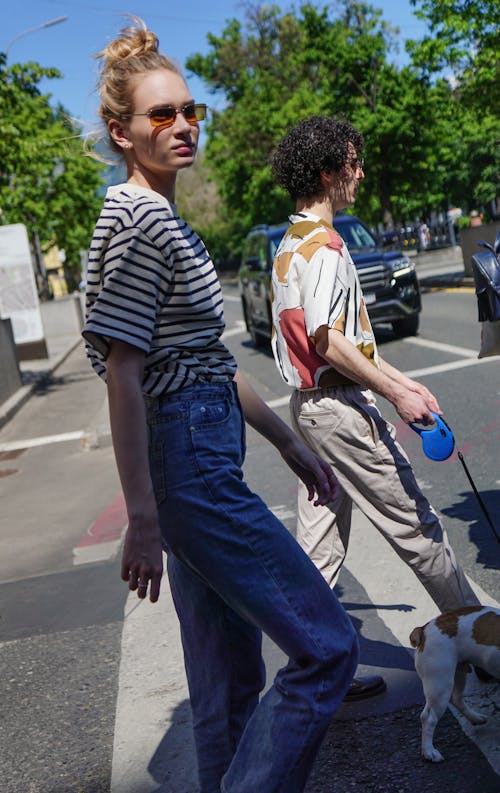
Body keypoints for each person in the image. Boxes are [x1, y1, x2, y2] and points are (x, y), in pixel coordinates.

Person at [82, 21, 358, 793]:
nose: (182, 126)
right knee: (328, 645)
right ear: (121, 132)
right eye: (160, 116)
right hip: (190, 463)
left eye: (190, 110)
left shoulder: (162, 218)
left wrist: (285, 442)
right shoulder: (139, 222)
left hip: (199, 449)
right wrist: (142, 513)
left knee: (228, 683)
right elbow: (124, 372)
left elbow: (203, 358)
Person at [269, 115, 481, 697]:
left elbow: (337, 340)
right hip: (338, 410)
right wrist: (394, 394)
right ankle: (486, 648)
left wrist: (404, 382)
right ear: (328, 173)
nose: (361, 173)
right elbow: (327, 339)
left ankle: (314, 676)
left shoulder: (290, 243)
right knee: (416, 526)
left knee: (318, 548)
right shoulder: (329, 247)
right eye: (353, 164)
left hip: (309, 408)